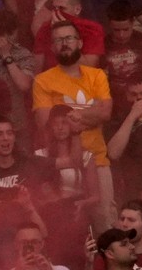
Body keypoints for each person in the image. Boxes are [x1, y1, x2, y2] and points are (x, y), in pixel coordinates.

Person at [33, 21, 114, 168]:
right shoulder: (42, 81)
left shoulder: (98, 75)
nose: (65, 43)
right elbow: (47, 124)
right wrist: (91, 112)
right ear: (52, 47)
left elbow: (105, 113)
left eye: (69, 38)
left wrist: (70, 117)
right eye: (59, 40)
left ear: (80, 43)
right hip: (63, 162)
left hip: (98, 159)